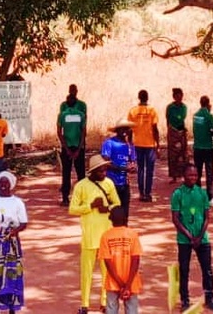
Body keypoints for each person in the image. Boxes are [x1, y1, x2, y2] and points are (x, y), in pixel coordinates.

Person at [70, 155, 121, 314]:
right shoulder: (81, 186)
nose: (104, 172)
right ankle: (84, 304)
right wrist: (89, 206)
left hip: (106, 235)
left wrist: (109, 208)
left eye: (105, 169)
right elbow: (72, 209)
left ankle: (104, 302)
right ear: (93, 171)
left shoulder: (109, 184)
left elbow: (117, 204)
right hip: (89, 236)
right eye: (100, 170)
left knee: (107, 271)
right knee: (87, 272)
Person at [171, 164, 213, 312]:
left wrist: (199, 236)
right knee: (184, 270)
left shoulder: (202, 193)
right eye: (190, 175)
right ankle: (185, 300)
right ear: (184, 176)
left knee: (207, 269)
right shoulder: (178, 194)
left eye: (195, 175)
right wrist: (189, 236)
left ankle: (210, 297)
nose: (193, 178)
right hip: (184, 239)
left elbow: (207, 217)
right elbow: (175, 219)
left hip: (202, 238)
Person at [0, 171, 28, 313]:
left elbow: (23, 223)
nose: (3, 185)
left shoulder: (18, 202)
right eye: (0, 183)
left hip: (13, 243)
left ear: (11, 185)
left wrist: (15, 231)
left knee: (12, 274)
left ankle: (11, 308)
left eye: (6, 183)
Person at [98, 206, 143, 314]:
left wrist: (120, 284)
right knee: (132, 310)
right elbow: (136, 260)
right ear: (125, 219)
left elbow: (107, 263)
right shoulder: (133, 235)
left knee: (111, 309)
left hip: (113, 282)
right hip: (131, 282)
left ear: (111, 219)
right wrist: (127, 285)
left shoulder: (106, 236)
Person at [127, 90, 160, 203]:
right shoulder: (152, 111)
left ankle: (141, 194)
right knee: (149, 170)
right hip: (150, 144)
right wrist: (158, 144)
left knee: (140, 169)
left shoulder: (133, 111)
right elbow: (155, 128)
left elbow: (129, 129)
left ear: (138, 97)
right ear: (147, 98)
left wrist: (130, 143)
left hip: (137, 144)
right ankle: (148, 193)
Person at [101, 119, 137, 218]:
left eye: (127, 129)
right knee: (111, 211)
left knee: (125, 212)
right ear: (117, 131)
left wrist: (133, 168)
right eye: (122, 129)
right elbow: (106, 163)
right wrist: (123, 168)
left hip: (125, 183)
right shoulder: (109, 143)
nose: (125, 131)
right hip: (111, 182)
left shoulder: (130, 146)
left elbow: (132, 162)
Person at [58, 94, 87, 207]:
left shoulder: (62, 115)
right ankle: (82, 198)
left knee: (66, 173)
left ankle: (65, 198)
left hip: (67, 147)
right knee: (81, 174)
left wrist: (66, 148)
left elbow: (59, 133)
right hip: (79, 147)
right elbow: (83, 133)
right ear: (76, 103)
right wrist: (79, 149)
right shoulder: (81, 115)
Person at [192, 96, 213, 204]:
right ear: (208, 104)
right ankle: (209, 195)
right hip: (207, 147)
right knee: (209, 172)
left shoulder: (195, 116)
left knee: (197, 171)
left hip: (197, 147)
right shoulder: (209, 116)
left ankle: (197, 194)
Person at [166, 88, 188, 184]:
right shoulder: (170, 107)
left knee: (183, 154)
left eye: (181, 95)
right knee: (172, 155)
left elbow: (181, 117)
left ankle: (184, 176)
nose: (179, 98)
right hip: (172, 131)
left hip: (181, 131)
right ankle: (174, 176)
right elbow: (168, 118)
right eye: (177, 96)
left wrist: (179, 127)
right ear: (174, 97)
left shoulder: (184, 107)